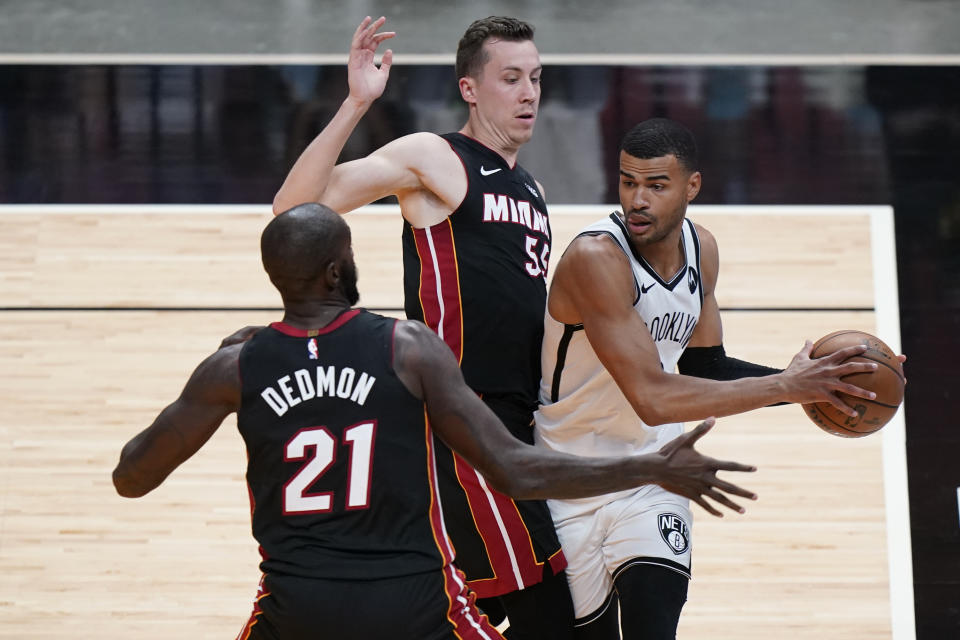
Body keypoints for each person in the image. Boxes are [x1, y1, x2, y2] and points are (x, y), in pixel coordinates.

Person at [111, 204, 759, 640]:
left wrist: (229, 369)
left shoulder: (236, 368)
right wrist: (650, 466)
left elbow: (131, 478)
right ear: (339, 270)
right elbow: (515, 468)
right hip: (415, 606)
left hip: (295, 605)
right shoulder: (406, 348)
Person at [271, 15, 570, 638]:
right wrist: (357, 103)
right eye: (510, 78)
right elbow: (294, 208)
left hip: (516, 425)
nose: (528, 94)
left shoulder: (533, 190)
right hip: (464, 424)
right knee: (547, 608)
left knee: (467, 614)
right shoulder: (436, 156)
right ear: (469, 89)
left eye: (536, 79)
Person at [534, 118, 890, 640]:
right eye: (628, 182)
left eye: (656, 186)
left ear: (691, 186)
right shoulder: (596, 259)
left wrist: (817, 381)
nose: (638, 199)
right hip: (567, 478)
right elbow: (652, 396)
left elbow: (707, 370)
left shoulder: (702, 250)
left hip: (652, 472)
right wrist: (787, 387)